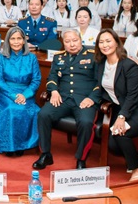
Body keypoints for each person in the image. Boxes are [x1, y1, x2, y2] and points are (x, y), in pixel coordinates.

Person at [95, 29, 138, 181]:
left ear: (117, 42)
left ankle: (137, 168)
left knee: (119, 133)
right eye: (101, 42)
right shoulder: (100, 64)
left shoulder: (129, 66)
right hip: (122, 109)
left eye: (108, 41)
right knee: (112, 144)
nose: (105, 45)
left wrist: (122, 116)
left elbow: (132, 96)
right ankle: (136, 155)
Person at [33, 29, 100, 170]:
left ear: (81, 40)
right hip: (62, 99)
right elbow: (51, 78)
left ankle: (81, 159)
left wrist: (92, 98)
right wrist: (54, 91)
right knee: (43, 114)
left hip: (84, 99)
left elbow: (101, 83)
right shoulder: (59, 57)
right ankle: (45, 154)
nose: (72, 44)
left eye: (75, 40)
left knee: (86, 122)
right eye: (68, 41)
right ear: (64, 43)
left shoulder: (94, 57)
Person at [0, 27, 41, 156]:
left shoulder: (31, 58)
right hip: (6, 93)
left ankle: (22, 145)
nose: (16, 42)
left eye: (19, 38)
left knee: (34, 111)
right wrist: (13, 95)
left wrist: (25, 95)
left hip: (26, 92)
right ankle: (8, 145)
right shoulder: (2, 58)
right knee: (11, 109)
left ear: (24, 40)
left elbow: (36, 80)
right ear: (8, 41)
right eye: (12, 39)